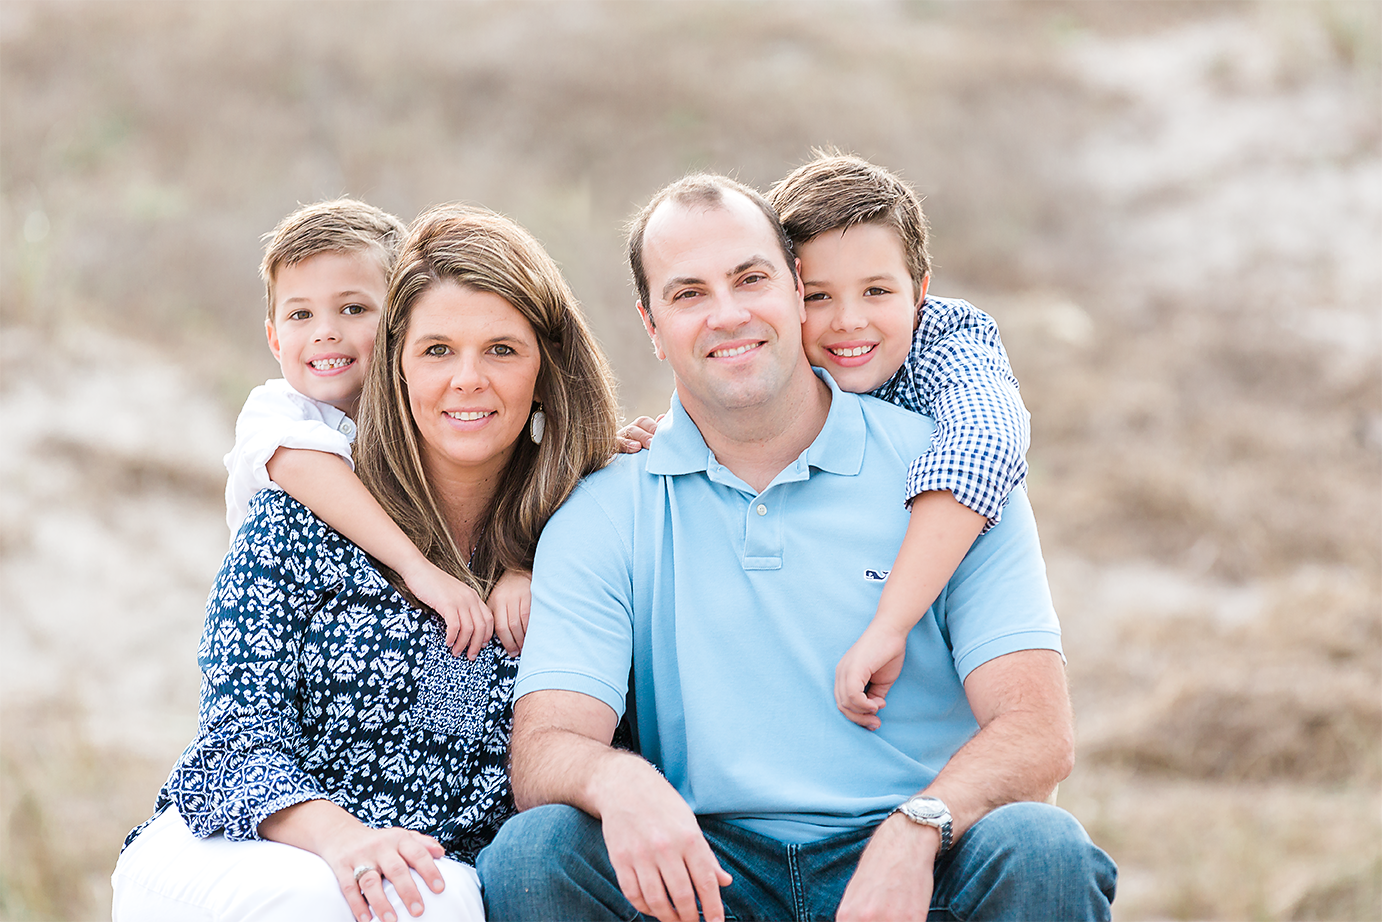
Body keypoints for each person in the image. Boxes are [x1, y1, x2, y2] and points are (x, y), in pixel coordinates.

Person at [477, 175, 1115, 921]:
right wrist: (620, 783)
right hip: (708, 871)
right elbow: (544, 748)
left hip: (915, 862)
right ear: (651, 325)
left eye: (751, 279)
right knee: (535, 853)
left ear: (793, 288)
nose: (728, 314)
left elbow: (1039, 733)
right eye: (689, 294)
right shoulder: (605, 509)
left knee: (1042, 848)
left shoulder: (951, 474)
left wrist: (919, 827)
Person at [111, 205, 620, 922]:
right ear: (396, 362)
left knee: (429, 906)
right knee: (320, 898)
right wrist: (344, 840)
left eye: (501, 350)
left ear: (546, 371)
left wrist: (531, 555)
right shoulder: (296, 511)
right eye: (437, 349)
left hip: (433, 872)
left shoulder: (584, 540)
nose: (467, 379)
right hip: (252, 843)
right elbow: (235, 742)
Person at [621, 152, 1031, 730]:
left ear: (920, 291)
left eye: (877, 292)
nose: (848, 321)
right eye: (819, 297)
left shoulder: (947, 346)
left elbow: (982, 447)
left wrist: (890, 625)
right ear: (788, 294)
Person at [222, 198, 527, 659]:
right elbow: (304, 465)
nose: (325, 332)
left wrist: (522, 566)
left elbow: (529, 463)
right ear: (274, 337)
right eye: (300, 314)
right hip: (284, 623)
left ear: (402, 323)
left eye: (353, 309)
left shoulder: (429, 406)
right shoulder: (277, 409)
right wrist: (417, 568)